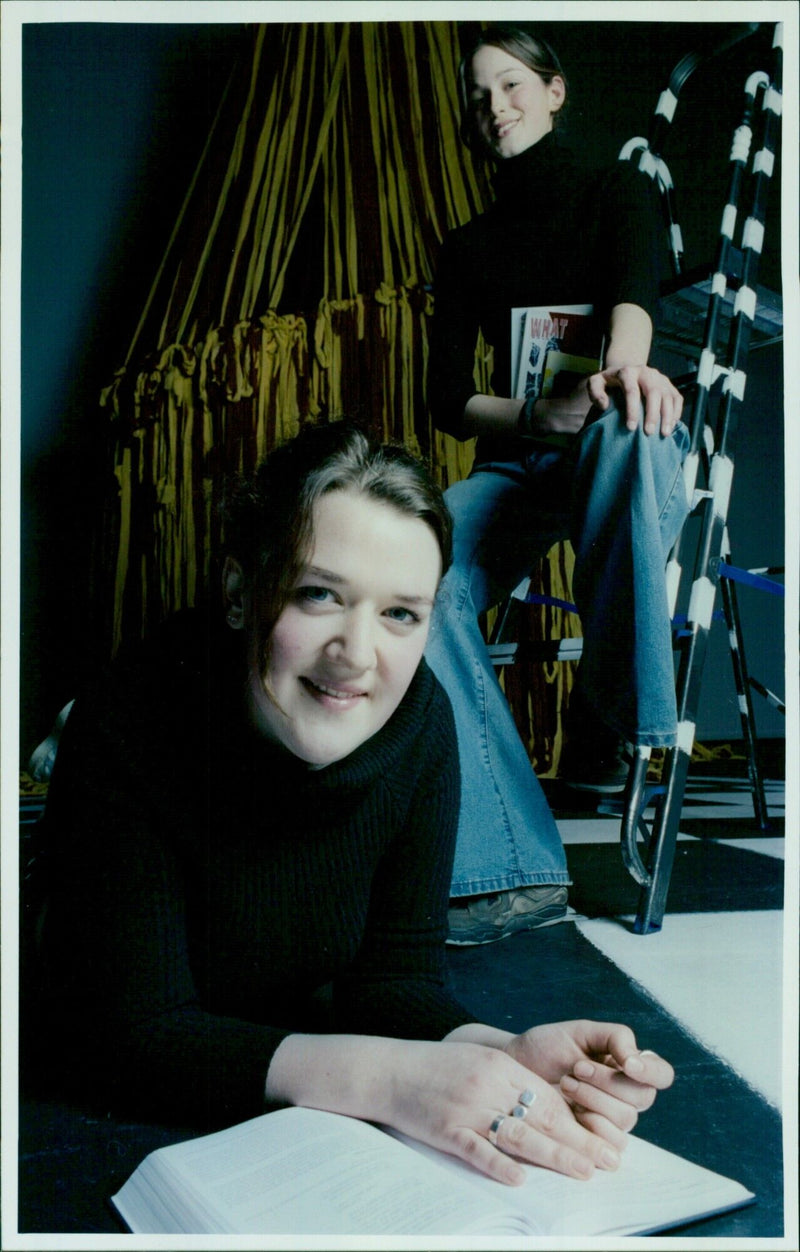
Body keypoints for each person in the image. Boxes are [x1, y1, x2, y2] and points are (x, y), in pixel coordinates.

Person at [33, 422, 673, 1189]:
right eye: (319, 595)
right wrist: (392, 1081)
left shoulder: (423, 724)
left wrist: (498, 1052)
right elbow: (130, 1036)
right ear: (240, 593)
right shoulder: (127, 720)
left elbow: (392, 982)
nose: (357, 655)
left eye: (401, 614)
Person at [425, 25, 690, 944]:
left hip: (619, 445)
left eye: (511, 85)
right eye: (478, 94)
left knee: (634, 424)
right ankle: (512, 866)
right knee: (422, 582)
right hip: (518, 462)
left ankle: (617, 724)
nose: (494, 106)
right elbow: (446, 398)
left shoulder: (618, 188)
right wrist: (540, 418)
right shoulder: (464, 247)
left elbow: (632, 301)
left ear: (554, 90)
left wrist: (621, 377)